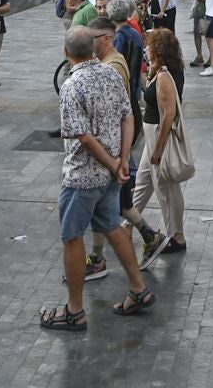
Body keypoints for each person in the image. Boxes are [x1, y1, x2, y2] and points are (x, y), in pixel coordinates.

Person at [41, 26, 153, 332]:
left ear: (66, 53)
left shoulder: (71, 86)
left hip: (83, 176)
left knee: (72, 236)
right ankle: (138, 287)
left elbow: (84, 137)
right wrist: (122, 160)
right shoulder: (111, 74)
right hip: (111, 174)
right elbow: (128, 116)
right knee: (112, 225)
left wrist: (113, 162)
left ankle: (74, 310)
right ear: (92, 49)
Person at [127, 28, 190, 264]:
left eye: (149, 46)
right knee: (143, 181)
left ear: (159, 50)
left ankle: (177, 236)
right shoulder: (165, 71)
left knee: (166, 187)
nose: (146, 49)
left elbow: (168, 114)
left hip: (158, 136)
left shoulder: (165, 75)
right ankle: (127, 224)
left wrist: (157, 149)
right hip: (152, 134)